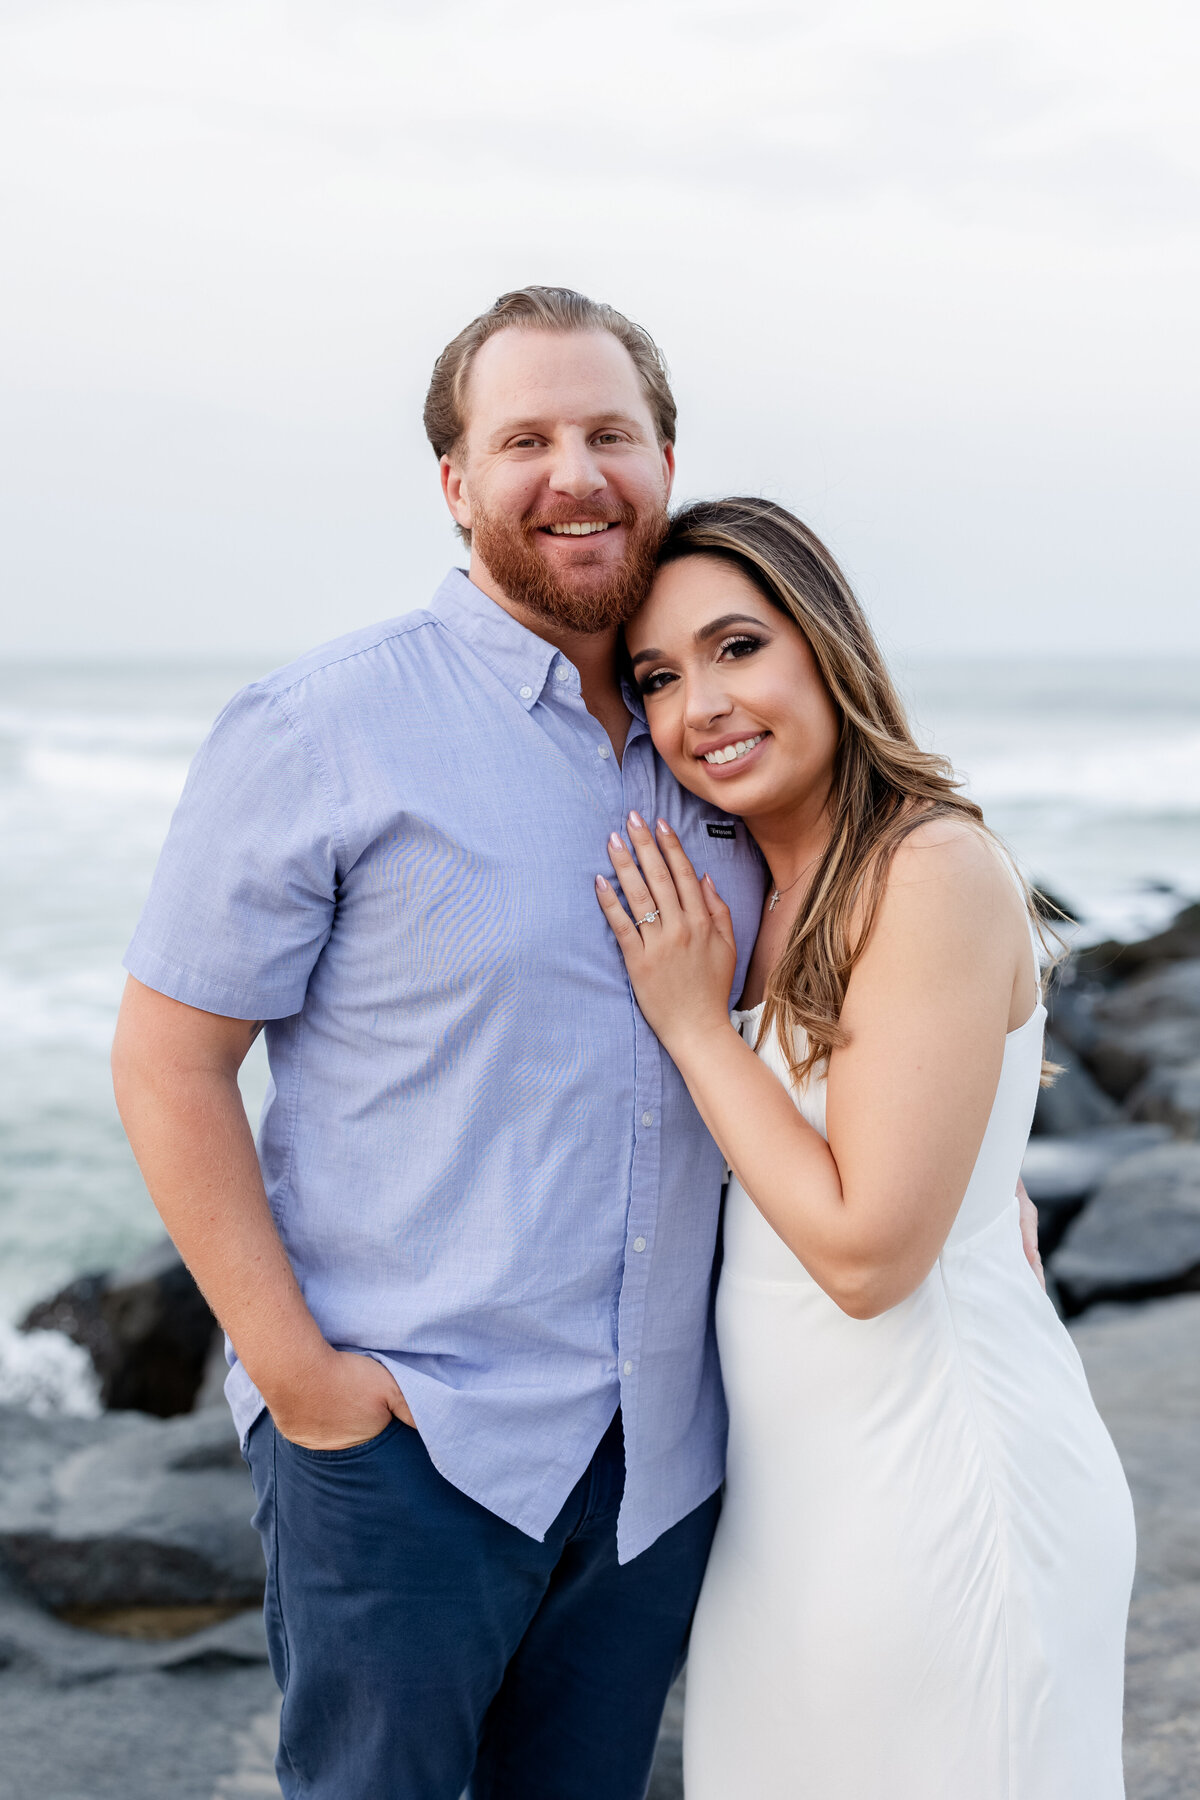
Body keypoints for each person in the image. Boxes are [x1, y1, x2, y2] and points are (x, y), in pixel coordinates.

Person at [109, 286, 773, 1800]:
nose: (576, 474)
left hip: (658, 1456)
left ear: (666, 459)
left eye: (611, 432)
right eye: (525, 437)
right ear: (457, 483)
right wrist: (301, 1380)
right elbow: (167, 1059)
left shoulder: (721, 741)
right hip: (414, 1443)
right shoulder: (320, 726)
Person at [596, 497, 1136, 1799]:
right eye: (659, 678)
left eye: (738, 647)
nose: (700, 704)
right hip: (799, 1516)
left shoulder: (928, 868)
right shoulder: (771, 893)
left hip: (937, 1492)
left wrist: (691, 1022)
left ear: (826, 646)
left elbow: (866, 1257)